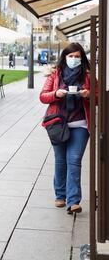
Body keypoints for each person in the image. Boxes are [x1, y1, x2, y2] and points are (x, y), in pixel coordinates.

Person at [40, 42, 97, 214]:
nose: (74, 59)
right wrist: (55, 94)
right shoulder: (54, 74)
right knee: (60, 160)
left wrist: (88, 95)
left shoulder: (88, 75)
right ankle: (60, 195)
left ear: (82, 58)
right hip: (58, 123)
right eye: (71, 56)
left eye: (77, 56)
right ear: (65, 57)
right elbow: (43, 96)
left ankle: (73, 201)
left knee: (74, 160)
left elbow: (98, 98)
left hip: (80, 124)